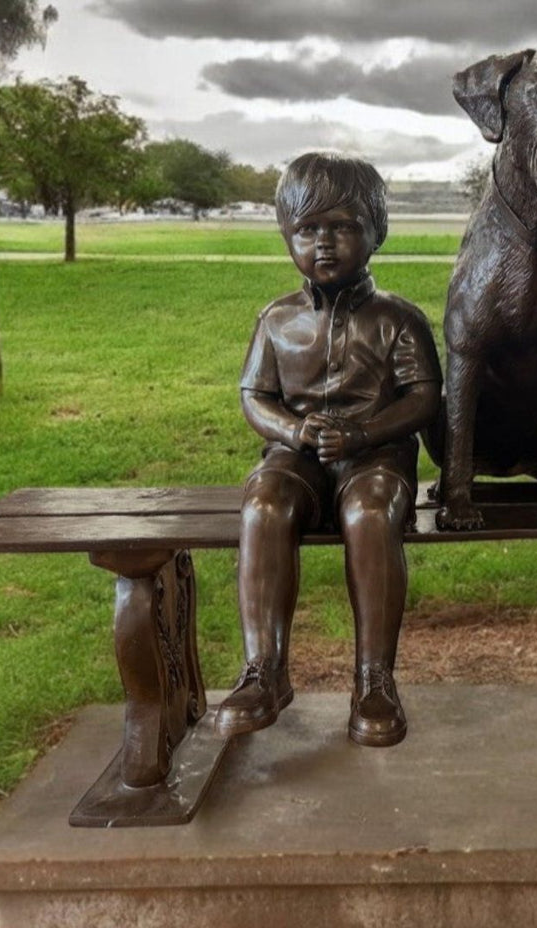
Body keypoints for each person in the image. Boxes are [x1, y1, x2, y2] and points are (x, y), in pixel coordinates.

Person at [219, 152, 442, 747]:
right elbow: (254, 396)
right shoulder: (276, 320)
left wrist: (367, 434)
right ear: (287, 236)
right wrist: (292, 432)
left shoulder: (398, 319)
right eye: (308, 229)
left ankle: (375, 678)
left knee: (370, 515)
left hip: (378, 457)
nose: (324, 243)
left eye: (342, 227)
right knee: (264, 503)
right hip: (297, 457)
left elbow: (425, 397)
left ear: (376, 233)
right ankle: (264, 669)